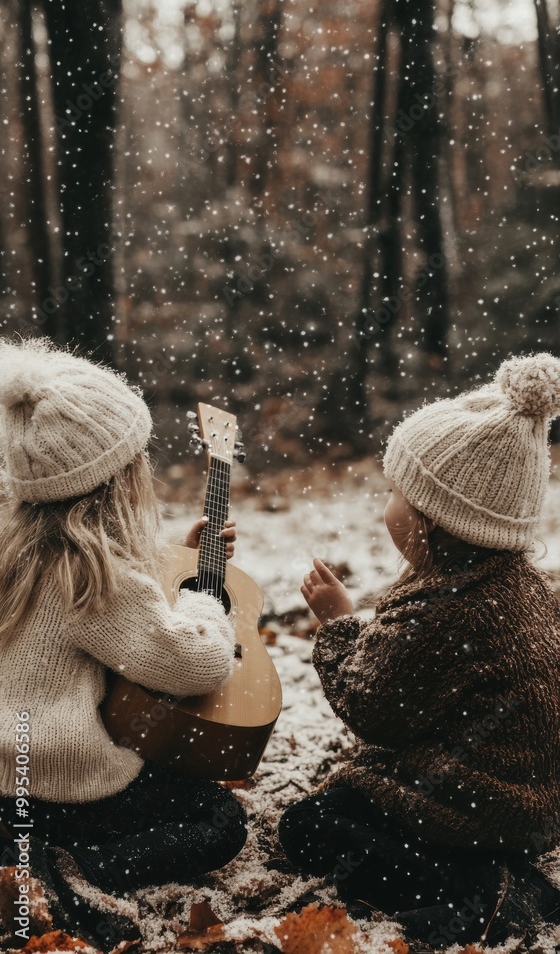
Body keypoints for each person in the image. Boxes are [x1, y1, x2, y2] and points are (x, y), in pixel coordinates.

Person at [278, 352, 560, 950]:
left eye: (396, 492)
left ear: (436, 521)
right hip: (533, 800)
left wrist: (338, 625)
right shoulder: (522, 585)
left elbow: (373, 707)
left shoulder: (441, 612)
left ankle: (480, 892)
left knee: (312, 825)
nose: (387, 506)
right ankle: (497, 869)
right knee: (353, 788)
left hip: (473, 807)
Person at [0, 336, 247, 950]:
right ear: (118, 481)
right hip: (66, 785)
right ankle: (80, 865)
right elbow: (197, 662)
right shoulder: (96, 578)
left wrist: (175, 556)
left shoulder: (16, 550)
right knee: (220, 821)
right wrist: (204, 597)